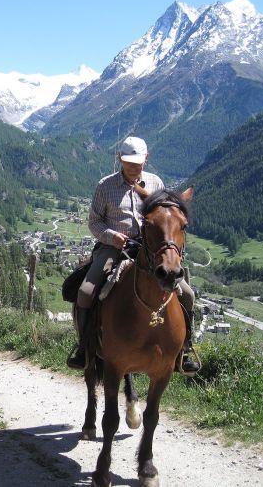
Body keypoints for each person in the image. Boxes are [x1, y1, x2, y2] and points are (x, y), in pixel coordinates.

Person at [67, 136, 200, 374]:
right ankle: (84, 347)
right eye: (129, 161)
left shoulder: (155, 183)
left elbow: (166, 218)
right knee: (86, 291)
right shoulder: (105, 186)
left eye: (138, 162)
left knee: (187, 294)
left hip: (150, 249)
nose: (133, 167)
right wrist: (111, 237)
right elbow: (94, 222)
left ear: (146, 159)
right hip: (114, 247)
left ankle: (185, 349)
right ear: (120, 158)